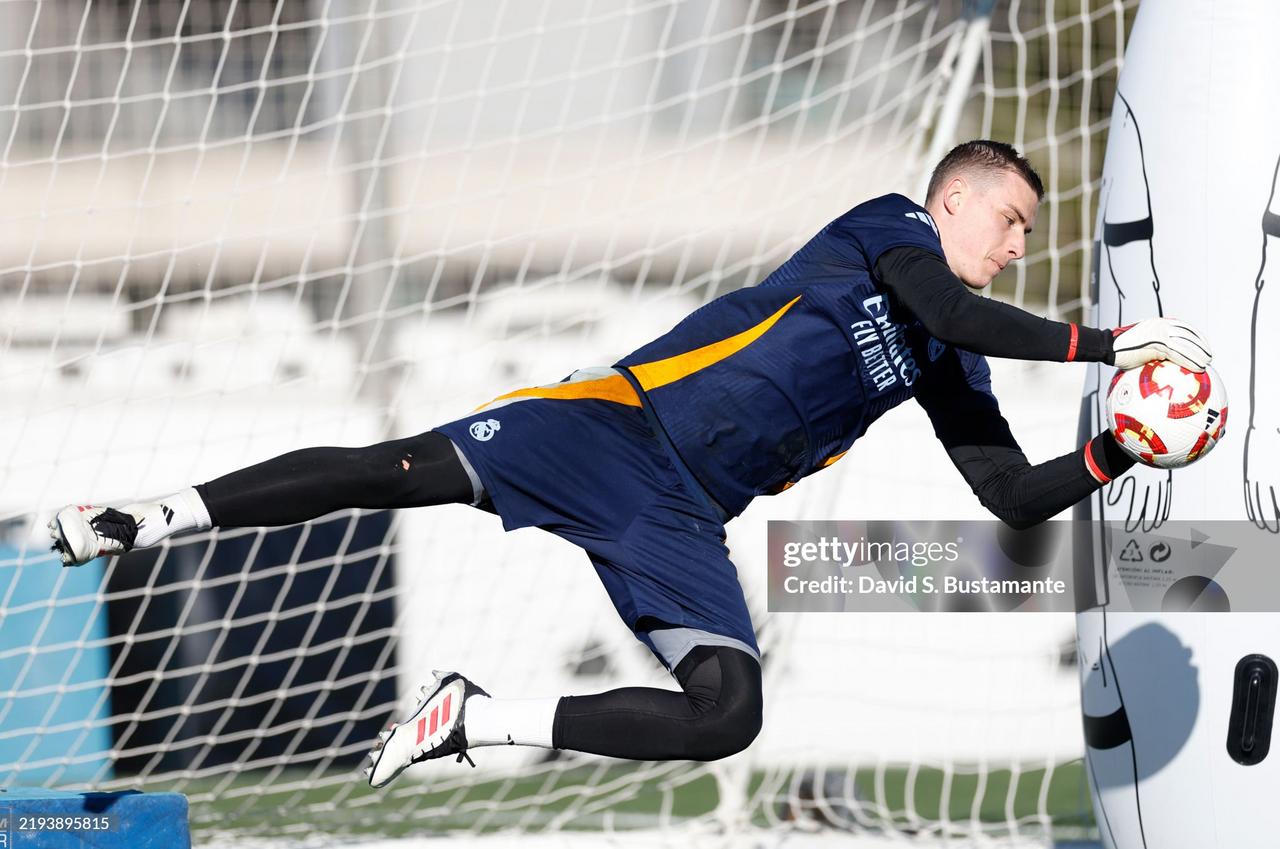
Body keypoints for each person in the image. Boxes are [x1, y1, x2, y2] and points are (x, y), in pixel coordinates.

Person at [47, 140, 1212, 789]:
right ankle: (150, 517)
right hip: (609, 426)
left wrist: (1116, 442)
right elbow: (941, 309)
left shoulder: (946, 357)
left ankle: (477, 722)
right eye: (1007, 220)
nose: (1016, 246)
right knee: (394, 470)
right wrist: (1110, 345)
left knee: (729, 714)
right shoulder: (887, 230)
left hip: (681, 514)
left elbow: (1007, 496)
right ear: (950, 200)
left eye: (1022, 235)